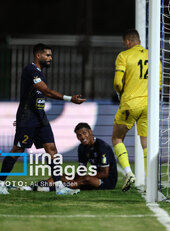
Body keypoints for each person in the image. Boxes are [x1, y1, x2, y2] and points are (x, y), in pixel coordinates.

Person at [0, 43, 86, 195]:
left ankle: (59, 188)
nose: (51, 58)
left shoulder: (39, 72)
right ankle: (0, 184)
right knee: (18, 149)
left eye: (51, 55)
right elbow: (46, 91)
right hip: (27, 118)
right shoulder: (30, 70)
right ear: (38, 55)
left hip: (40, 118)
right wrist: (70, 99)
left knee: (52, 150)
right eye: (47, 55)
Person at [111, 29, 155, 192]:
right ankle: (150, 180)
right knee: (146, 143)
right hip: (148, 104)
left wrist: (120, 91)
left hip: (130, 103)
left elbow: (117, 83)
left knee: (117, 138)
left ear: (128, 41)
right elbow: (158, 82)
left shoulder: (124, 55)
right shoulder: (152, 55)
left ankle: (129, 173)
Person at [32, 123, 118, 191]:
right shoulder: (82, 147)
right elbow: (82, 169)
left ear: (90, 132)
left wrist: (80, 178)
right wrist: (72, 177)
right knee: (61, 176)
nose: (82, 137)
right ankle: (35, 186)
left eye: (84, 133)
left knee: (87, 179)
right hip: (94, 177)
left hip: (108, 181)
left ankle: (52, 188)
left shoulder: (102, 147)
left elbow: (104, 174)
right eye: (79, 135)